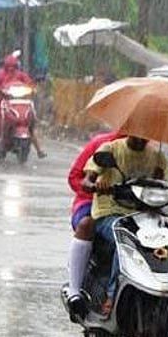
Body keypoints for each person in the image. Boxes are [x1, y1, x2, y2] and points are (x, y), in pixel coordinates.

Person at [82, 136, 168, 316]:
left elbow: (164, 184)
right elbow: (86, 182)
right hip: (108, 214)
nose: (142, 138)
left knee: (167, 239)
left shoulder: (157, 157)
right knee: (126, 238)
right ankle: (112, 295)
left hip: (143, 218)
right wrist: (95, 185)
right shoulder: (110, 149)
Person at [65, 131, 124, 319]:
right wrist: (95, 189)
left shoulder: (151, 154)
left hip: (129, 209)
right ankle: (75, 292)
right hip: (91, 204)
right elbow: (75, 177)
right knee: (87, 224)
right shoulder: (102, 144)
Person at [0, 54, 47, 158]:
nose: (11, 69)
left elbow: (30, 84)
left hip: (20, 103)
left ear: (16, 66)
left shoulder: (21, 75)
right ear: (5, 66)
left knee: (30, 121)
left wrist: (33, 89)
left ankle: (39, 149)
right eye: (9, 66)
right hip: (2, 101)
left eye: (13, 66)